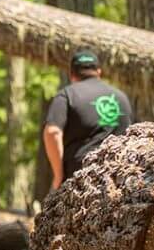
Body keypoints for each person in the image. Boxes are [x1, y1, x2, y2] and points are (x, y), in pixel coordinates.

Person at [43, 50, 133, 189]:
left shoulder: (67, 95)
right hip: (118, 179)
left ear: (72, 74)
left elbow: (52, 132)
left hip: (79, 182)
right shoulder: (121, 97)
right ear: (98, 71)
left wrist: (58, 175)